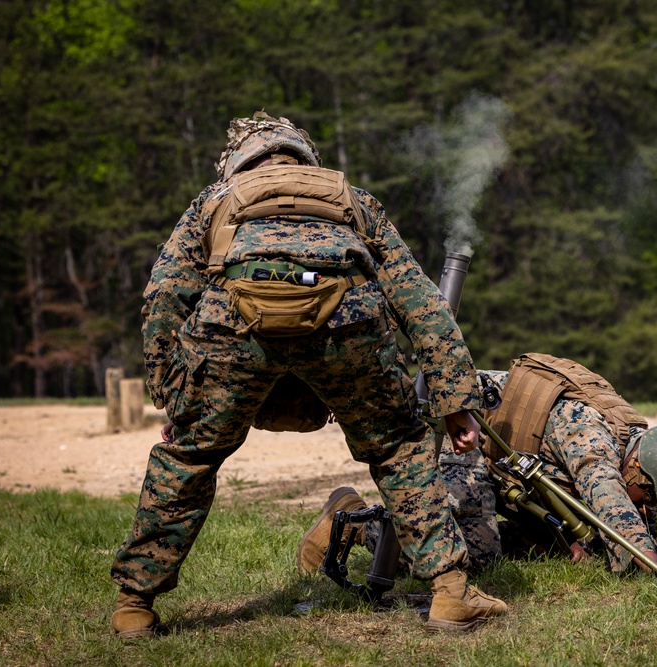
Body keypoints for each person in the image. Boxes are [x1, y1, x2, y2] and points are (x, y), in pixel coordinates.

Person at [110, 111, 506, 638]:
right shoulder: (352, 199)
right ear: (303, 156)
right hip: (348, 317)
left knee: (191, 456)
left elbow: (164, 296)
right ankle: (451, 594)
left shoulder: (213, 201)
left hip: (234, 317)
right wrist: (455, 399)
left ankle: (134, 605)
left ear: (240, 163)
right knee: (399, 446)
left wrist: (175, 395)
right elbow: (421, 302)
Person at [297, 354, 657, 582]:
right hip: (467, 434)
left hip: (510, 465)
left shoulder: (636, 437)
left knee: (557, 543)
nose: (647, 511)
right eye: (650, 499)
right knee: (471, 556)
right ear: (637, 468)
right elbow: (608, 497)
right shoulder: (594, 439)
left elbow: (619, 508)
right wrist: (652, 562)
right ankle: (349, 520)